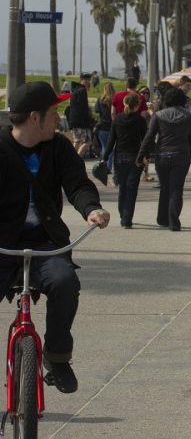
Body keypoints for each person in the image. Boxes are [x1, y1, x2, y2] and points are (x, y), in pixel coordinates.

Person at [0, 82, 111, 393]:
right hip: (2, 245)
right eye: (54, 113)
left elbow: (78, 184)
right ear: (35, 117)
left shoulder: (58, 147)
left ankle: (57, 357)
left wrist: (92, 209)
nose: (59, 119)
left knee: (65, 282)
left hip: (45, 244)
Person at [137, 87, 191, 231]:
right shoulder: (188, 117)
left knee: (165, 188)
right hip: (181, 155)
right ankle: (173, 220)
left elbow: (149, 136)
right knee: (176, 189)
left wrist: (141, 154)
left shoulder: (158, 115)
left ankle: (162, 218)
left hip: (162, 155)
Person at [104, 93, 147, 228]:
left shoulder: (117, 119)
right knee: (132, 189)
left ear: (124, 103)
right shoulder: (140, 120)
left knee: (123, 187)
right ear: (137, 106)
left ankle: (123, 214)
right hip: (135, 157)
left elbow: (111, 140)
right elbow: (145, 139)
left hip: (119, 157)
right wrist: (147, 155)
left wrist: (105, 156)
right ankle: (127, 218)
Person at [66, 73, 94, 156]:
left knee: (77, 141)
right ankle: (76, 160)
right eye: (86, 80)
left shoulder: (75, 90)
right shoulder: (82, 91)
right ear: (82, 80)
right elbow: (83, 108)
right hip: (81, 121)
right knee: (88, 141)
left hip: (73, 120)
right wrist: (88, 121)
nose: (88, 82)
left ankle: (71, 159)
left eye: (88, 80)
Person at [95, 81, 115, 163]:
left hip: (101, 126)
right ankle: (108, 166)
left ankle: (103, 165)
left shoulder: (100, 99)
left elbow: (96, 110)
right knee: (111, 148)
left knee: (104, 147)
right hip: (111, 126)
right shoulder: (114, 99)